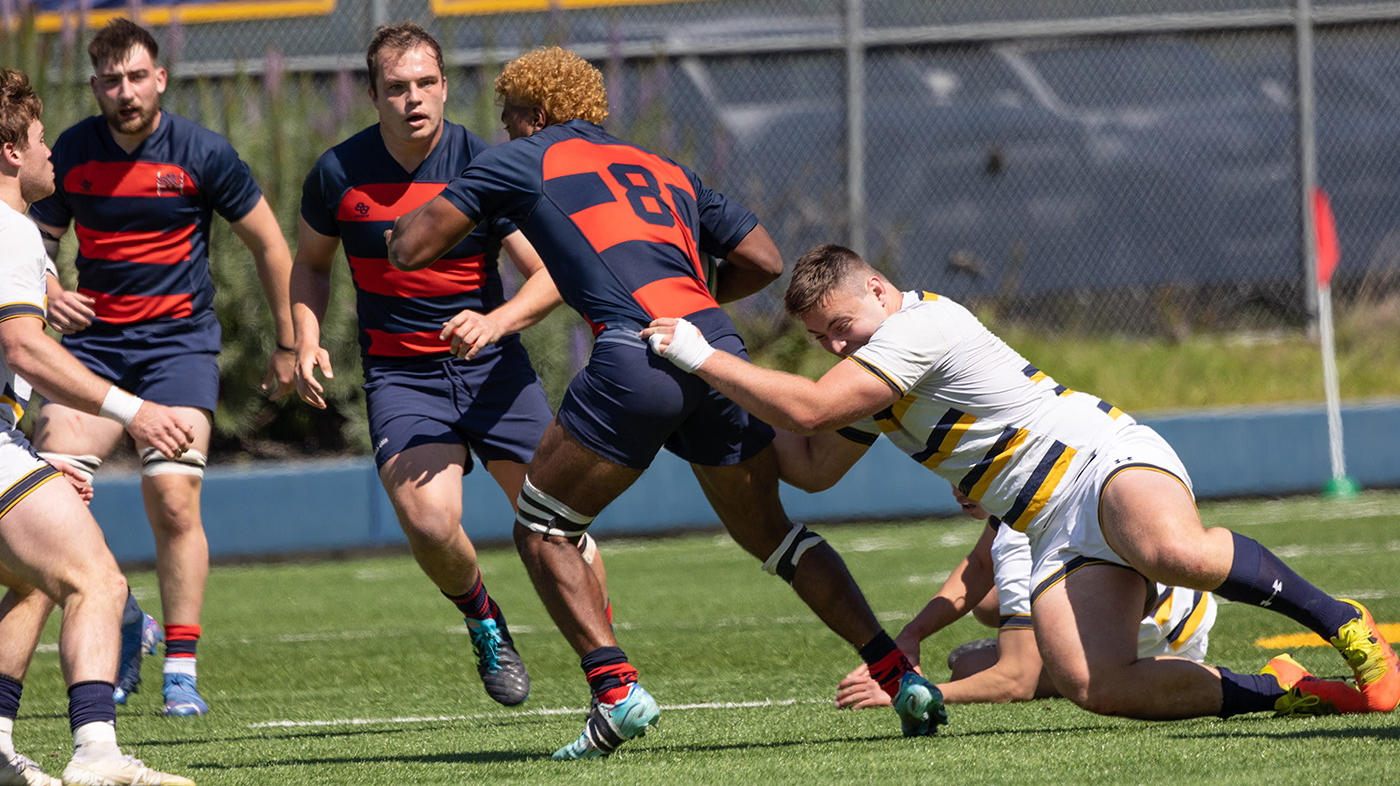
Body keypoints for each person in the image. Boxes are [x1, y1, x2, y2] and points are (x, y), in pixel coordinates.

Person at [385, 47, 943, 759]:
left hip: (636, 354)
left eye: (508, 117)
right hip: (711, 343)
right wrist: (696, 306)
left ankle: (616, 694)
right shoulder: (661, 165)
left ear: (536, 114)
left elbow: (410, 249)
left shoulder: (520, 158)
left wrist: (429, 215)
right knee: (775, 535)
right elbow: (763, 259)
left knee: (542, 528)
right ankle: (898, 675)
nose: (505, 129)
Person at [642, 242, 1400, 722]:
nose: (836, 344)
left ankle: (1347, 626)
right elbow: (805, 467)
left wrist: (702, 356)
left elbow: (806, 407)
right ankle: (1290, 689)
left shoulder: (918, 327)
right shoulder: (873, 379)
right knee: (1093, 682)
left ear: (878, 289)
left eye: (842, 325)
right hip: (1051, 527)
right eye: (821, 339)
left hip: (1098, 458)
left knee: (1172, 550)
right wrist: (704, 407)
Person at [291, 22, 610, 706]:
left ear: (444, 86)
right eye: (397, 87)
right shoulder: (337, 173)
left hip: (495, 372)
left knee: (563, 521)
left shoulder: (486, 165)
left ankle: (608, 674)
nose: (414, 99)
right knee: (432, 523)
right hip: (402, 376)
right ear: (372, 94)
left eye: (427, 84)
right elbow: (311, 266)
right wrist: (304, 336)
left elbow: (550, 276)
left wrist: (494, 322)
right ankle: (484, 617)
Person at [25, 18, 297, 717]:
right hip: (95, 351)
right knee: (53, 490)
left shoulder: (202, 152)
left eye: (137, 76)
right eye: (111, 80)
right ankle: (121, 612)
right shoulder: (71, 155)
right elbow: (36, 242)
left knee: (174, 500)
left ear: (161, 78)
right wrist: (53, 290)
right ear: (94, 86)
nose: (125, 91)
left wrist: (292, 342)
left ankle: (180, 666)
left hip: (179, 347)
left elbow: (269, 243)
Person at [0, 66, 196, 785]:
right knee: (98, 580)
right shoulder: (13, 230)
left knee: (31, 578)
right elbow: (21, 347)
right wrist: (133, 408)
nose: (53, 153)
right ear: (11, 152)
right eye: (43, 138)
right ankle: (96, 754)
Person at [829, 486, 1217, 709]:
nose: (957, 488)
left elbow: (1015, 683)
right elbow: (980, 567)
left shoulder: (1018, 538)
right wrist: (912, 634)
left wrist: (906, 692)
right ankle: (1035, 641)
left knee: (969, 668)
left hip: (1168, 638)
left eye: (967, 473)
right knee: (987, 605)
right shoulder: (1026, 485)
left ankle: (1058, 649)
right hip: (1180, 603)